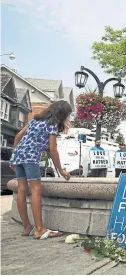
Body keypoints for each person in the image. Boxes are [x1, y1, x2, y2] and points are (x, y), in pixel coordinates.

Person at [9, 100, 71, 239]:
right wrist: (61, 171)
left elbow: (18, 136)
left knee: (21, 190)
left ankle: (26, 227)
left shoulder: (34, 120)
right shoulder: (52, 125)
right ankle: (39, 229)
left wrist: (14, 156)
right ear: (62, 114)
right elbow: (53, 150)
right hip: (31, 158)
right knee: (36, 189)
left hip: (19, 155)